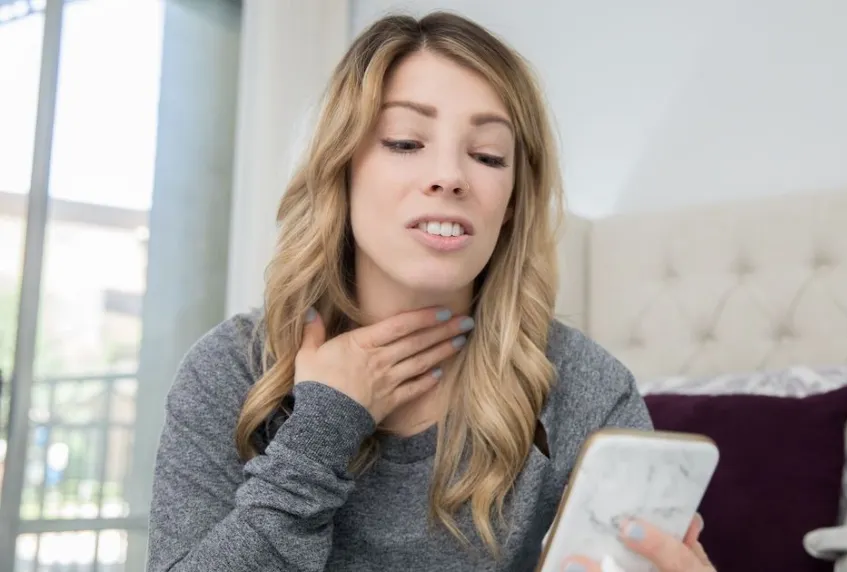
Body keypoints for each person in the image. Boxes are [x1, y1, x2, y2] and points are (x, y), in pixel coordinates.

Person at [146, 11, 711, 572]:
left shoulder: (584, 389)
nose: (450, 175)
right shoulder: (231, 372)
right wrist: (322, 430)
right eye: (405, 142)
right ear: (341, 168)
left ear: (511, 202)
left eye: (488, 155)